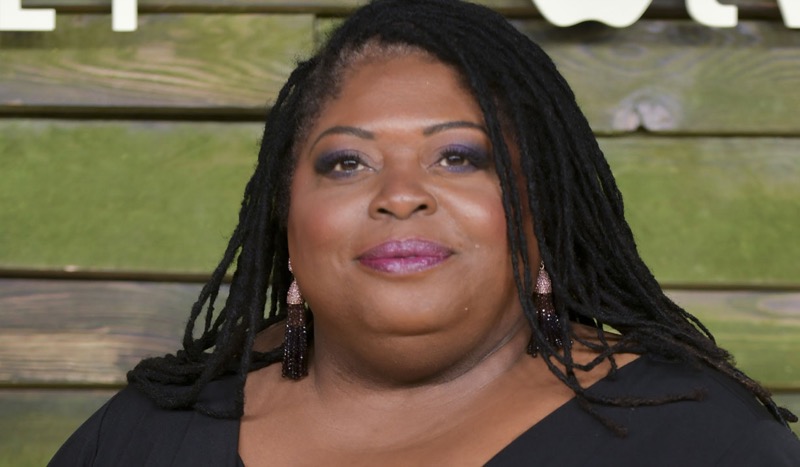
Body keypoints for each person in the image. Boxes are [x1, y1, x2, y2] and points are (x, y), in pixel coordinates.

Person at [50, 0, 800, 465]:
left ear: (540, 208)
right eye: (347, 162)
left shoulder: (701, 440)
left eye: (458, 156)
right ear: (287, 218)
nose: (401, 195)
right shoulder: (147, 436)